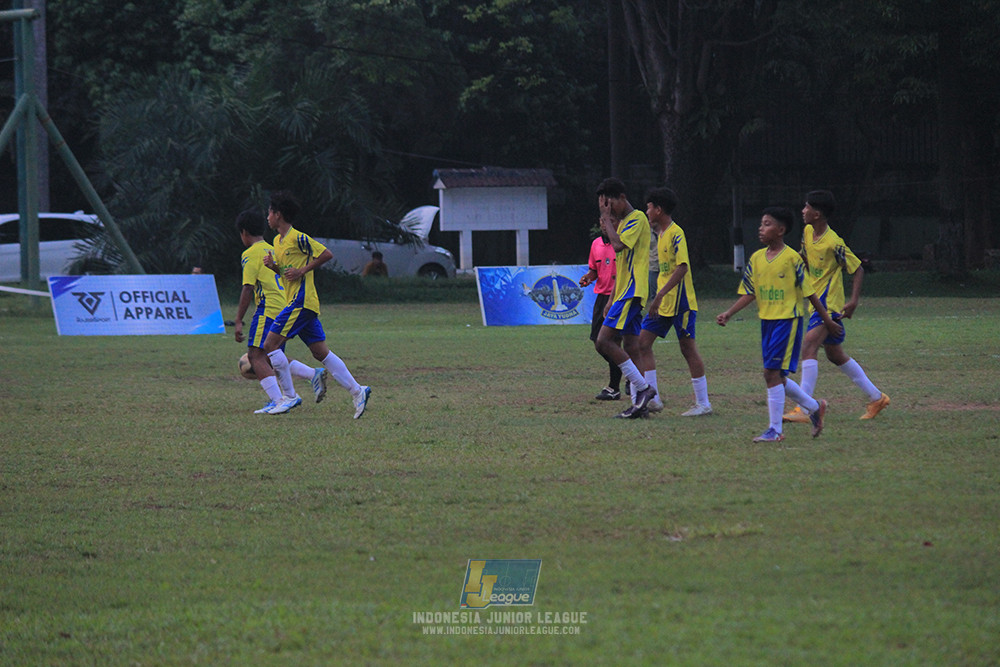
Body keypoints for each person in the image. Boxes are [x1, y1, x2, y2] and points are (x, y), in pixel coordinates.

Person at [716, 206, 842, 442]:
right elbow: (750, 292)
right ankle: (814, 407)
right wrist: (729, 313)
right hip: (767, 322)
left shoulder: (792, 258)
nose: (761, 228)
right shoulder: (756, 259)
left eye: (767, 224)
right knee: (776, 376)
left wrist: (827, 320)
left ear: (781, 230)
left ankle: (775, 430)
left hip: (788, 321)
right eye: (761, 224)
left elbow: (810, 293)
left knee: (771, 373)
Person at [259, 190, 372, 418]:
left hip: (301, 302)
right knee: (320, 352)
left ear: (278, 214)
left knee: (270, 345)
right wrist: (274, 267)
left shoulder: (298, 237)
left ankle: (289, 397)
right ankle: (358, 391)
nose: (267, 217)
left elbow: (326, 254)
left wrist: (303, 270)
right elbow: (286, 272)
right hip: (298, 303)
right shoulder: (277, 242)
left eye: (269, 213)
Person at [784, 190, 890, 423]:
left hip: (829, 304)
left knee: (808, 347)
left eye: (806, 207)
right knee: (834, 354)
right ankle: (876, 397)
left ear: (817, 213)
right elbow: (804, 258)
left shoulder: (834, 243)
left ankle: (804, 408)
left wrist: (853, 301)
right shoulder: (808, 232)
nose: (802, 211)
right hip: (815, 302)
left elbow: (858, 268)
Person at [233, 208, 327, 414]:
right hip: (286, 306)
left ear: (244, 233)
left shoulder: (249, 254)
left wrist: (239, 320)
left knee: (255, 355)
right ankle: (313, 374)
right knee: (272, 357)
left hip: (268, 307)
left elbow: (248, 287)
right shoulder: (273, 248)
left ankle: (280, 400)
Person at [635, 187, 712, 416]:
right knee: (642, 343)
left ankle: (703, 403)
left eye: (649, 207)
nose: (646, 211)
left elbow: (682, 267)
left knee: (688, 349)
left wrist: (658, 296)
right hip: (663, 303)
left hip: (681, 303)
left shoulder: (676, 233)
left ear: (658, 209)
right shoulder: (659, 234)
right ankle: (654, 398)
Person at [592, 177, 657, 419]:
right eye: (604, 206)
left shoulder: (638, 218)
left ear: (622, 198)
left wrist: (608, 220)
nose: (609, 210)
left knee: (603, 342)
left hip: (632, 291)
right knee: (632, 346)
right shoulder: (623, 221)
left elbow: (618, 246)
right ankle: (641, 406)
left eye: (610, 205)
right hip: (624, 290)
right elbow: (621, 260)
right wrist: (610, 298)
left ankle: (643, 389)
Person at [579, 229, 622, 400]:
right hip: (602, 298)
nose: (605, 224)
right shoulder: (596, 244)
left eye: (609, 220)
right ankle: (630, 371)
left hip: (618, 296)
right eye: (603, 220)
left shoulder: (620, 243)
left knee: (613, 342)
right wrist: (588, 277)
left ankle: (614, 387)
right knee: (599, 343)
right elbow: (594, 270)